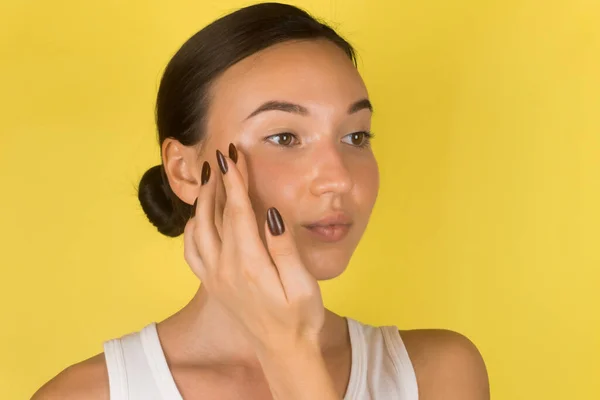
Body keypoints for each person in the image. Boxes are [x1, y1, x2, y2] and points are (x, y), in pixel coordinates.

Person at [32, 2, 489, 399]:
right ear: (184, 170)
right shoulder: (90, 395)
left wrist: (288, 352)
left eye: (356, 135)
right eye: (285, 136)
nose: (338, 179)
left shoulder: (434, 374)